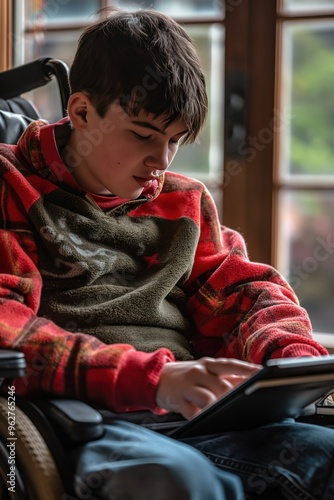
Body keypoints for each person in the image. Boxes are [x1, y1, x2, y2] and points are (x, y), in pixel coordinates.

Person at [0, 7, 334, 500]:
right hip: (87, 420)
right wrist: (155, 379)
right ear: (82, 112)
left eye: (175, 141)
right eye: (143, 135)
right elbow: (8, 328)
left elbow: (246, 293)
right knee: (184, 483)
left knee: (323, 454)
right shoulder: (12, 187)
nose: (161, 161)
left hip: (195, 414)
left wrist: (295, 364)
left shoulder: (184, 201)